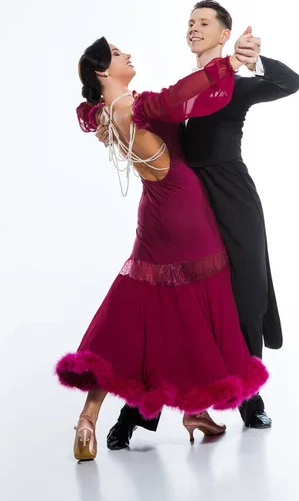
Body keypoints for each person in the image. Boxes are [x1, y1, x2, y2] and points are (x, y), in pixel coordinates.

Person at [55, 36, 269, 461]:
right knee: (194, 307)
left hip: (154, 216)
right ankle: (195, 409)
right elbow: (180, 96)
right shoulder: (134, 107)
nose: (128, 54)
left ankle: (89, 419)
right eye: (117, 54)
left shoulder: (107, 112)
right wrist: (225, 64)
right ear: (102, 71)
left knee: (135, 312)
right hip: (185, 211)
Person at [102, 1, 299, 450]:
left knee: (246, 297)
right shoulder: (183, 91)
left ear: (224, 35)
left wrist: (256, 60)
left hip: (232, 200)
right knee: (167, 305)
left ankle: (250, 397)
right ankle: (135, 412)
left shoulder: (235, 85)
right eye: (189, 23)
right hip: (184, 209)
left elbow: (290, 83)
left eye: (204, 23)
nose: (194, 28)